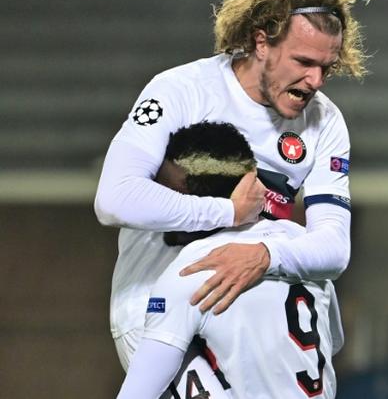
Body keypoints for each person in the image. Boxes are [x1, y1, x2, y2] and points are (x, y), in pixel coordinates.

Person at [93, 0, 368, 373]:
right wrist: (227, 213)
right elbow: (114, 199)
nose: (315, 81)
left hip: (255, 324)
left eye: (326, 67)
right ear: (262, 42)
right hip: (159, 313)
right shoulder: (181, 90)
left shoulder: (324, 122)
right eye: (304, 62)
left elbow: (333, 246)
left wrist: (263, 254)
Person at [117, 121, 344, 398]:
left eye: (165, 193)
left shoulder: (191, 271)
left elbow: (138, 392)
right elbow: (333, 343)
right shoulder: (303, 249)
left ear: (186, 196)